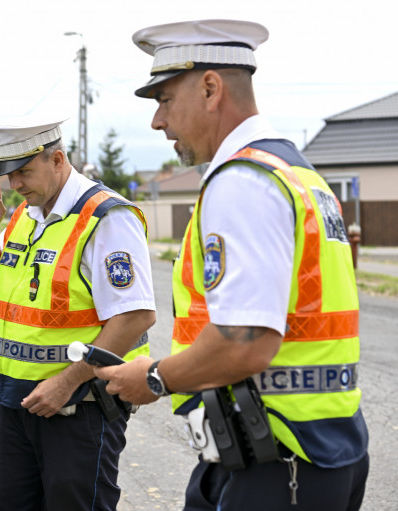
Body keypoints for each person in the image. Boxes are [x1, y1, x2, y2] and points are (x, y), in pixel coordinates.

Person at [95, 19, 369, 511]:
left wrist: (153, 377)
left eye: (164, 100)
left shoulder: (242, 180)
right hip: (319, 451)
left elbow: (245, 342)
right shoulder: (297, 173)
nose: (157, 121)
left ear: (210, 88)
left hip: (277, 462)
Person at [0, 116, 156, 510]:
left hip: (80, 407)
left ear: (57, 160)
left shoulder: (108, 218)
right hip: (20, 403)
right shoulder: (25, 215)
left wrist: (65, 383)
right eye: (9, 174)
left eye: (24, 171)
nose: (15, 184)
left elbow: (136, 316)